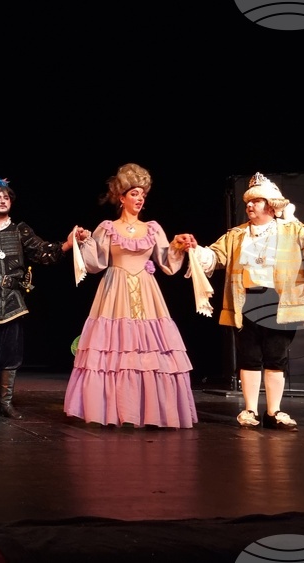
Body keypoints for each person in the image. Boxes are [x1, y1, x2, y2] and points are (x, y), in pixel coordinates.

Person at [177, 172, 304, 432]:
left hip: (279, 299)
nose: (250, 205)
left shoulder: (292, 230)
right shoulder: (236, 234)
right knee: (249, 357)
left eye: (256, 201)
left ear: (271, 205)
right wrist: (194, 249)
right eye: (248, 202)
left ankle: (274, 411)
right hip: (246, 299)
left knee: (276, 357)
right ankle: (249, 409)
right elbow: (214, 256)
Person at [63, 163, 198, 429]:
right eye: (134, 194)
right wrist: (84, 240)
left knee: (148, 348)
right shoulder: (108, 228)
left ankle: (151, 411)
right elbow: (95, 263)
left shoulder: (153, 228)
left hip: (147, 293)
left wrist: (179, 246)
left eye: (142, 195)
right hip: (115, 292)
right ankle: (113, 410)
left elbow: (167, 263)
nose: (139, 199)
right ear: (121, 197)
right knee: (115, 349)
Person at [0, 178, 84, 420]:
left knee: (11, 354)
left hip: (12, 300)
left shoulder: (20, 230)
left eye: (6, 197)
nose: (2, 201)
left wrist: (67, 244)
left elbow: (43, 253)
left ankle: (6, 403)